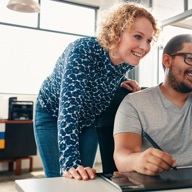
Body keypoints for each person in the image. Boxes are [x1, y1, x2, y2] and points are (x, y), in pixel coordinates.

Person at [33, 2, 160, 180]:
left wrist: (122, 81)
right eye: (138, 36)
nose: (145, 47)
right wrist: (70, 164)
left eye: (148, 40)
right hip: (53, 115)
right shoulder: (82, 52)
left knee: (85, 178)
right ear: (116, 32)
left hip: (88, 120)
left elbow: (101, 75)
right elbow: (68, 111)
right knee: (61, 179)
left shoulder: (123, 61)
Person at [113, 34, 192, 176]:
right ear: (167, 60)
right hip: (151, 186)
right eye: (190, 59)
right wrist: (138, 160)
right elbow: (123, 156)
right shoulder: (134, 103)